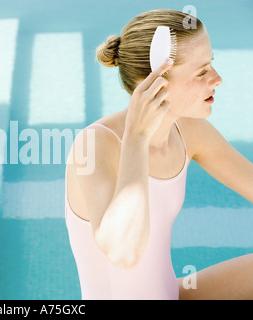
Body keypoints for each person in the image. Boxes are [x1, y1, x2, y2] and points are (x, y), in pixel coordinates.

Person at [65, 9, 253, 300]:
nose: (217, 79)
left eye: (211, 64)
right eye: (201, 72)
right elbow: (123, 253)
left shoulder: (190, 130)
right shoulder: (95, 146)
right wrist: (137, 138)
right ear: (153, 84)